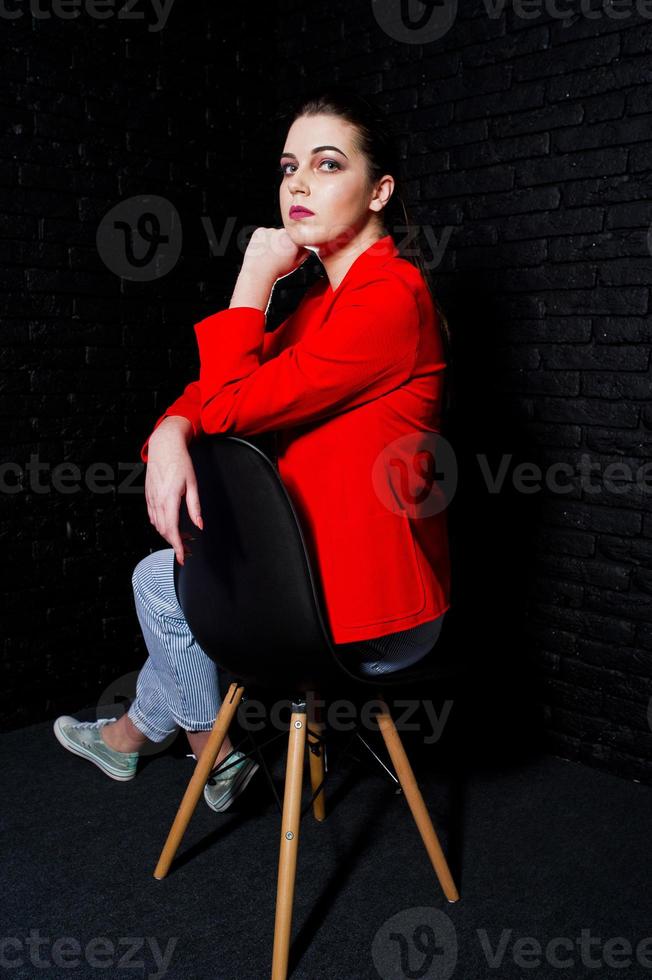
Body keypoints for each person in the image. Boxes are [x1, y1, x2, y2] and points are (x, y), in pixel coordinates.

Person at [53, 86, 452, 812]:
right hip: (310, 573)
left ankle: (207, 748)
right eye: (288, 165)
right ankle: (130, 736)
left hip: (368, 611)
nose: (297, 183)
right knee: (183, 575)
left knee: (160, 579)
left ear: (379, 191)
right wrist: (172, 430)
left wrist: (251, 279)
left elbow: (230, 401)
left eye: (327, 165)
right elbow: (211, 394)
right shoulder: (321, 308)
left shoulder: (389, 299)